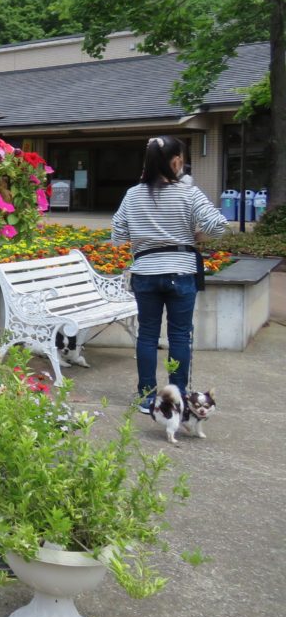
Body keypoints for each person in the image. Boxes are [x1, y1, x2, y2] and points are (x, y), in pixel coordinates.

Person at [111, 135, 228, 412]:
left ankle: (146, 397)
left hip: (145, 272)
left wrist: (144, 236)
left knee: (148, 336)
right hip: (182, 271)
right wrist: (196, 236)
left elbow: (117, 234)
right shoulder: (189, 192)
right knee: (179, 336)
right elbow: (219, 226)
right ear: (176, 161)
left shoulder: (132, 194)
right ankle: (177, 398)